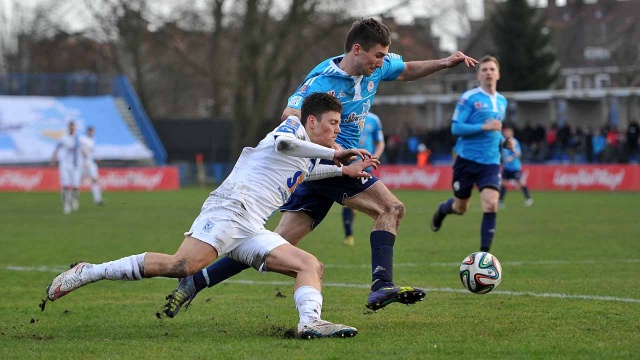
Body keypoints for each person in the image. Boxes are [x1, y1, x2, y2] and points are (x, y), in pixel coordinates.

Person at [165, 18, 477, 316]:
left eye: (384, 56)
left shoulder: (376, 68)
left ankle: (196, 281)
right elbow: (290, 111)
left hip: (323, 169)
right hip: (331, 161)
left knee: (278, 243)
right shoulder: (322, 80)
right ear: (357, 49)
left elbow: (407, 69)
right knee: (391, 209)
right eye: (378, 56)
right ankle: (382, 285)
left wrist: (445, 62)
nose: (381, 62)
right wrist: (332, 148)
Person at [45, 93, 378, 339]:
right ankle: (89, 272)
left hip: (250, 224)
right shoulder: (292, 129)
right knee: (183, 266)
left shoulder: (309, 154)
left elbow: (303, 172)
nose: (337, 131)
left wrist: (344, 171)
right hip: (230, 208)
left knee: (310, 265)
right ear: (312, 121)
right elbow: (282, 146)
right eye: (333, 124)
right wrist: (335, 154)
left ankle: (310, 323)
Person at [430, 55, 514, 253]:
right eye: (484, 69)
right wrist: (484, 126)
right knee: (461, 208)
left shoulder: (502, 101)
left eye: (492, 69)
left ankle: (485, 256)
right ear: (478, 75)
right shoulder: (469, 98)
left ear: (498, 74)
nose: (488, 73)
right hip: (466, 161)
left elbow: (495, 131)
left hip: (491, 162)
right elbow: (456, 128)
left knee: (491, 204)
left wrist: (504, 141)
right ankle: (444, 209)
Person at [342, 112, 385, 247]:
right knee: (347, 201)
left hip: (367, 167)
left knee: (378, 202)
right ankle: (349, 236)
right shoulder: (346, 115)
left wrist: (375, 157)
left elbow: (380, 142)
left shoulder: (374, 119)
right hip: (349, 165)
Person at [50, 121, 82, 214]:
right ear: (68, 127)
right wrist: (53, 159)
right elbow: (57, 148)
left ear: (75, 128)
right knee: (65, 185)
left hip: (75, 165)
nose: (72, 128)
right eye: (71, 127)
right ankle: (66, 205)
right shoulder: (63, 138)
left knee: (76, 186)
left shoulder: (78, 139)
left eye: (74, 127)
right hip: (64, 164)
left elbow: (83, 151)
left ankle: (73, 199)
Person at [498, 123, 533, 208]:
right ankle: (501, 201)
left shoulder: (513, 141)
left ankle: (528, 198)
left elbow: (518, 153)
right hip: (507, 167)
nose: (507, 133)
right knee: (504, 183)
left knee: (521, 183)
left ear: (511, 132)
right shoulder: (503, 141)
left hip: (515, 167)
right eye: (505, 131)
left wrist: (511, 157)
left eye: (508, 131)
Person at [79, 126, 104, 205]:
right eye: (90, 131)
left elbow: (93, 152)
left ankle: (98, 199)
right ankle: (73, 197)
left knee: (94, 180)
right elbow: (82, 150)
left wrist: (97, 158)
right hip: (83, 163)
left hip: (91, 163)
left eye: (93, 131)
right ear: (88, 131)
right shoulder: (82, 139)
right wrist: (85, 159)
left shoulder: (93, 140)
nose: (92, 133)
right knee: (78, 181)